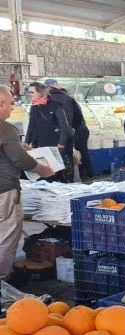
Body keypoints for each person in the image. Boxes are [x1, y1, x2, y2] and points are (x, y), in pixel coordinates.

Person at [0, 85, 54, 283]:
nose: (12, 109)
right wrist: (42, 169)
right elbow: (18, 159)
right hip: (4, 191)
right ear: (1, 104)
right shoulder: (5, 127)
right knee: (6, 237)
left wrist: (17, 146)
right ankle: (3, 283)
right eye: (11, 105)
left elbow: (11, 150)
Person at [24, 82, 74, 183]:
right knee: (44, 172)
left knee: (57, 171)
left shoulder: (56, 106)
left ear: (40, 93)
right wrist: (27, 142)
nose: (29, 94)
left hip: (54, 143)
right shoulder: (33, 107)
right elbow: (31, 126)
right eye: (29, 92)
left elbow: (64, 126)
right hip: (39, 143)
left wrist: (61, 143)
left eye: (32, 92)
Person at [44, 79, 90, 181]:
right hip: (79, 129)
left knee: (64, 158)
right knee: (77, 155)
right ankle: (85, 176)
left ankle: (66, 180)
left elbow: (65, 120)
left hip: (67, 132)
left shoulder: (54, 99)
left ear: (49, 88)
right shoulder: (68, 97)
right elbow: (76, 117)